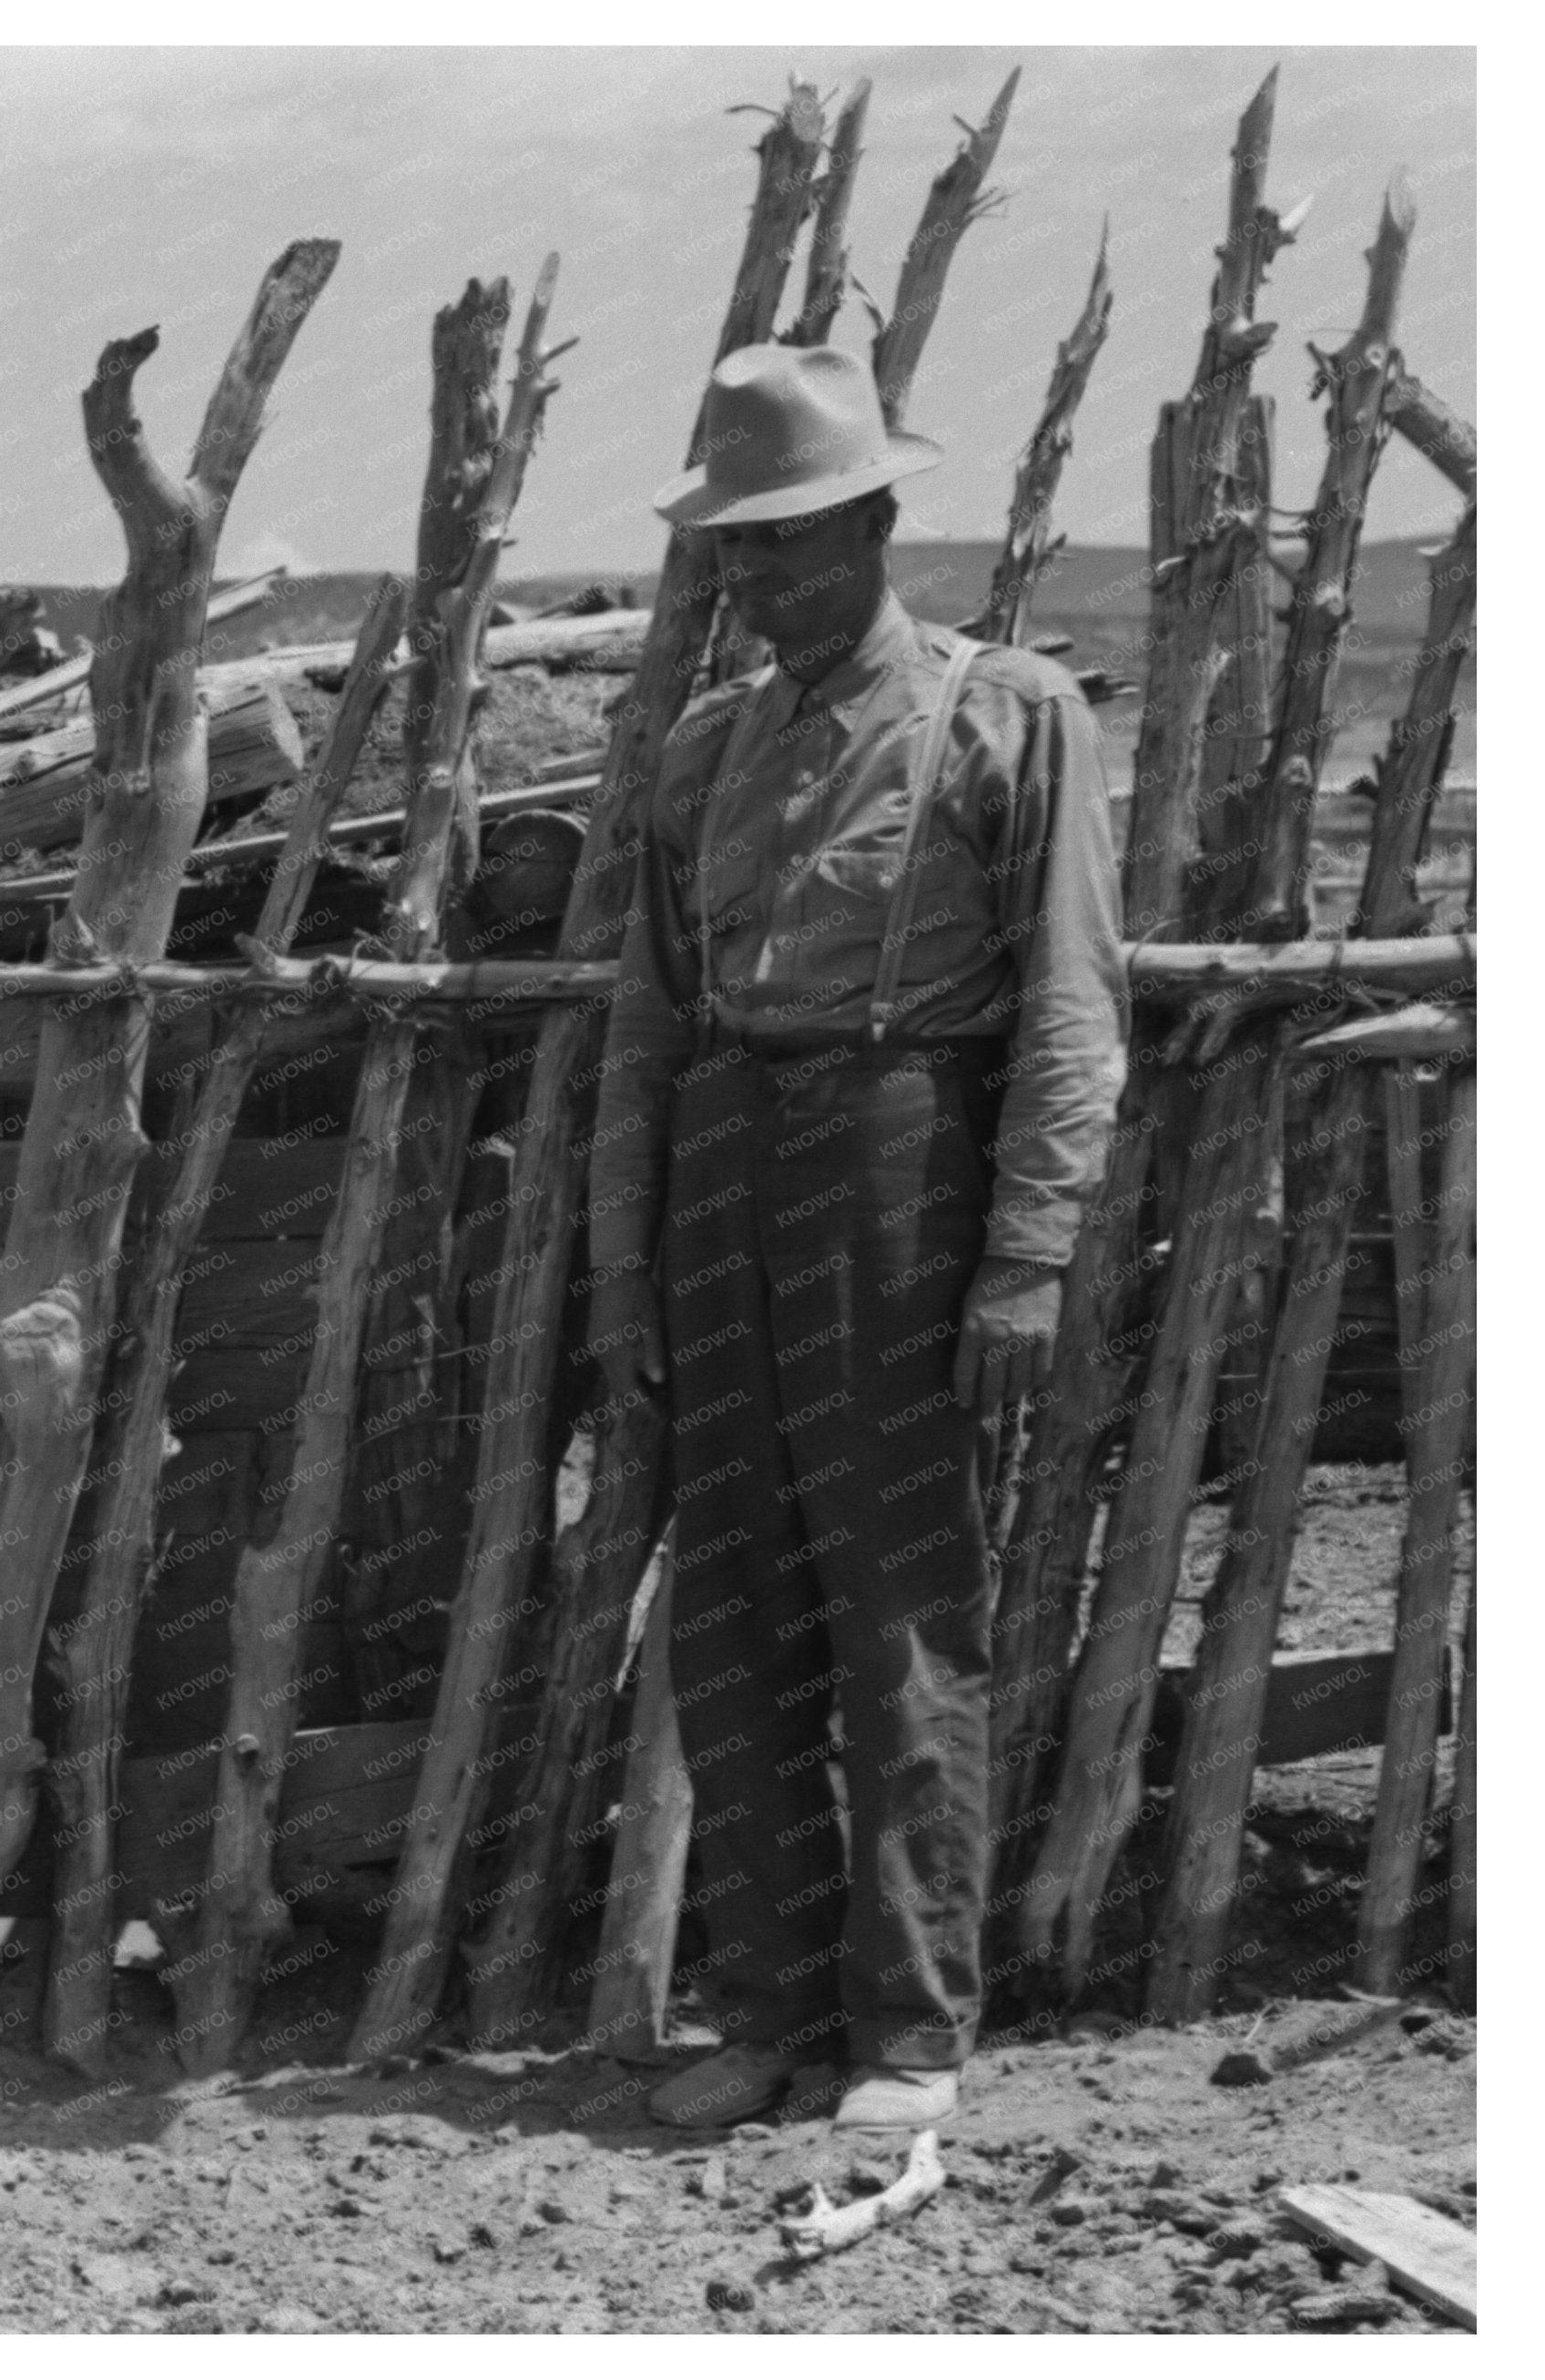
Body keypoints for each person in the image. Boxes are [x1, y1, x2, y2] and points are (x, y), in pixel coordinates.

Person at [584, 343, 1126, 2136]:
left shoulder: (1006, 711)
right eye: (733, 549)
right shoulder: (699, 751)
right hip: (724, 1170)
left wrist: (1026, 1252)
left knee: (901, 1608)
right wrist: (628, 1269)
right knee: (728, 1607)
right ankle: (765, 2014)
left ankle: (906, 2033)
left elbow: (1068, 998)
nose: (762, 576)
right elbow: (652, 1024)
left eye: (796, 539)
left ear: (881, 519)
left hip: (903, 1164)